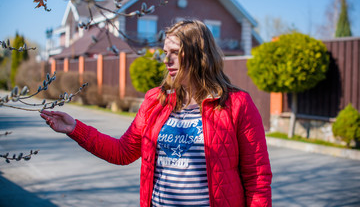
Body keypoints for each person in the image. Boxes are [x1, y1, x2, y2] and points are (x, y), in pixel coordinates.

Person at [40, 19, 272, 207]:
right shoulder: (155, 101)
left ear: (199, 55)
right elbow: (123, 152)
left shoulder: (236, 104)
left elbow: (257, 178)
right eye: (164, 51)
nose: (166, 59)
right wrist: (75, 129)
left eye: (175, 52)